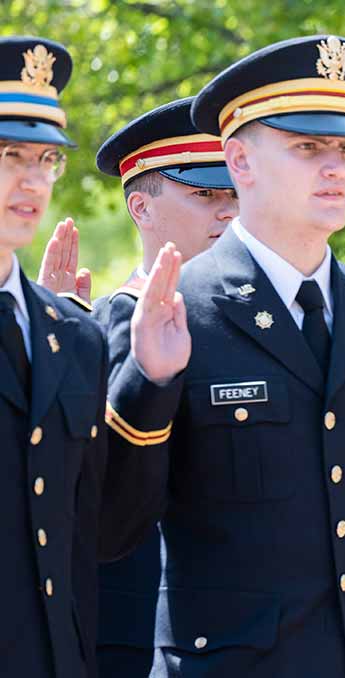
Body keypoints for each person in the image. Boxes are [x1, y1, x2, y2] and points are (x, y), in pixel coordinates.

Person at [103, 35, 345, 677]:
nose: (336, 168)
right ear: (240, 161)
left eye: (344, 149)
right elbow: (112, 529)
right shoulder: (181, 310)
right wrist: (148, 382)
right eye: (307, 147)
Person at [94, 96, 237, 677]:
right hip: (137, 640)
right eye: (205, 194)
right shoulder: (108, 323)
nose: (228, 212)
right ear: (141, 208)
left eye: (234, 194)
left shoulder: (250, 326)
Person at [0, 34, 110, 678]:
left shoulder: (73, 335)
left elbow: (91, 537)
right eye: (10, 154)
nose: (33, 180)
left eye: (46, 158)